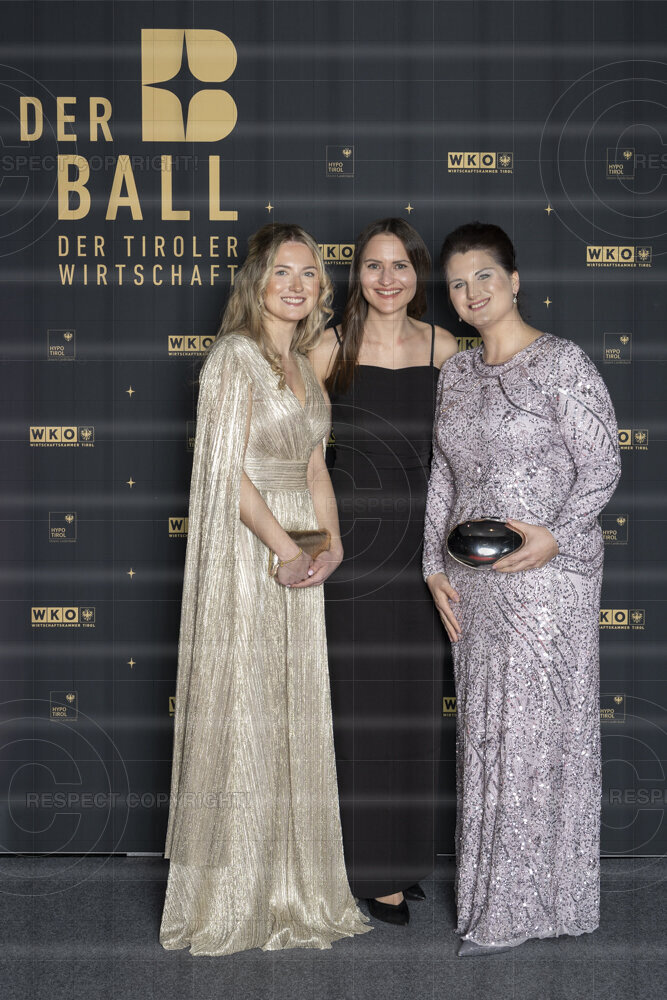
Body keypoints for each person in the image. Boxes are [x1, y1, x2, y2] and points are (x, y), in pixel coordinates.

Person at [159, 223, 371, 956]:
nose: (296, 285)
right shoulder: (233, 358)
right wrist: (284, 549)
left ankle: (293, 884)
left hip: (301, 553)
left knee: (292, 709)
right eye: (283, 271)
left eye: (309, 274)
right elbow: (226, 473)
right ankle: (232, 894)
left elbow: (314, 467)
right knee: (245, 708)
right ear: (256, 281)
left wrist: (330, 544)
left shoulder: (305, 366)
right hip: (249, 554)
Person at [423, 221, 622, 956]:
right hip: (472, 585)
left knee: (537, 734)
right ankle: (493, 896)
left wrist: (554, 536)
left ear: (513, 280)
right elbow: (443, 478)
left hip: (547, 580)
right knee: (487, 734)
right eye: (456, 283)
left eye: (483, 276)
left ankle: (538, 903)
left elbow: (601, 466)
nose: (470, 292)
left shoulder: (562, 362)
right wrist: (431, 566)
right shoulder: (456, 374)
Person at [310, 217, 458, 926]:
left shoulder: (443, 347)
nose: (387, 278)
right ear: (357, 274)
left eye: (400, 265)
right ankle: (369, 872)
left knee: (413, 707)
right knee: (361, 708)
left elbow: (463, 457)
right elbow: (299, 453)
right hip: (354, 549)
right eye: (374, 265)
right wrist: (312, 540)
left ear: (417, 272)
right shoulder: (328, 346)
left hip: (424, 550)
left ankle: (404, 859)